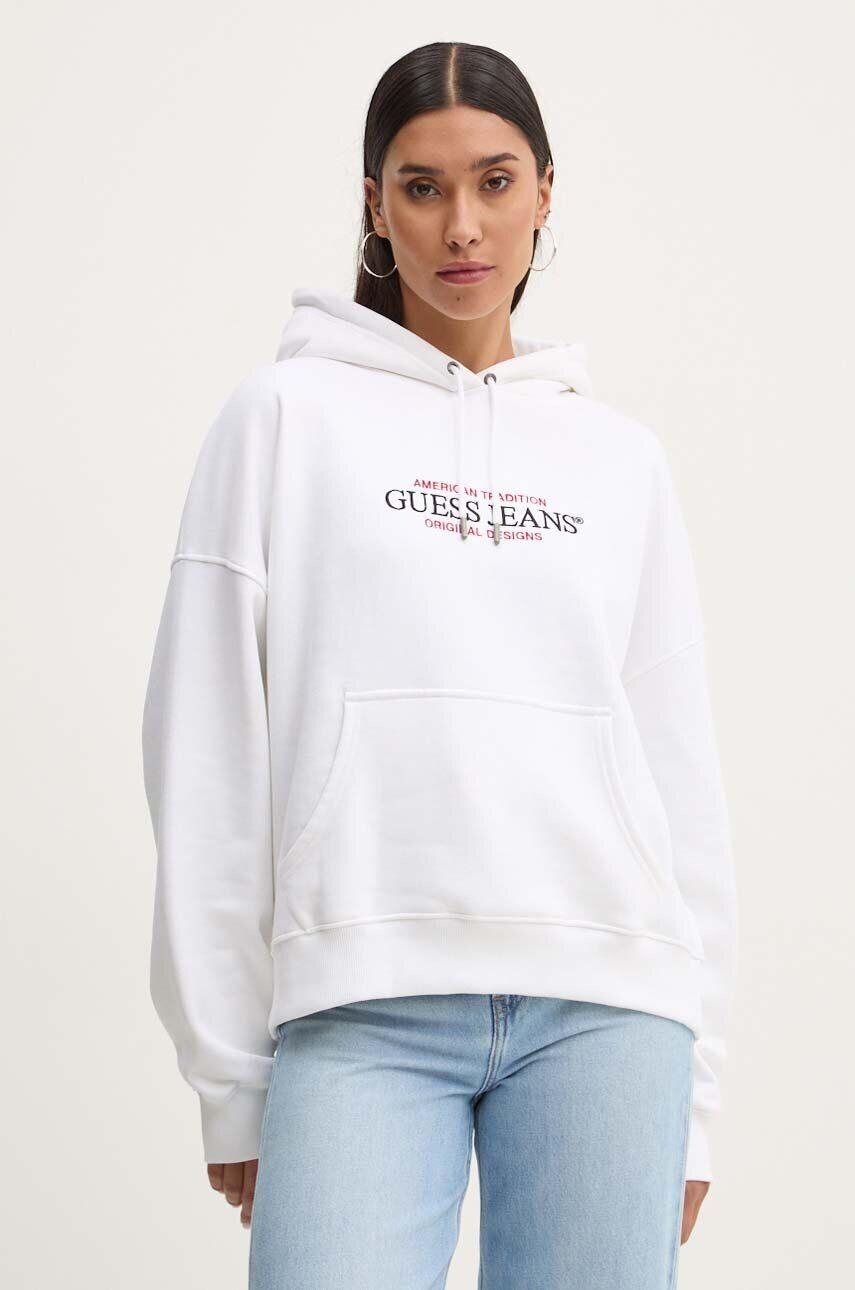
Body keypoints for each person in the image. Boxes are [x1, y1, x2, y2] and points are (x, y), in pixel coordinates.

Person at [141, 40, 738, 1289]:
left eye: (495, 182)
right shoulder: (284, 418)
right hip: (362, 1004)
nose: (462, 225)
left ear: (545, 192)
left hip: (608, 1011)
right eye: (422, 187)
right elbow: (206, 751)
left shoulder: (619, 462)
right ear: (376, 205)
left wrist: (699, 1093)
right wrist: (229, 1076)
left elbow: (679, 776)